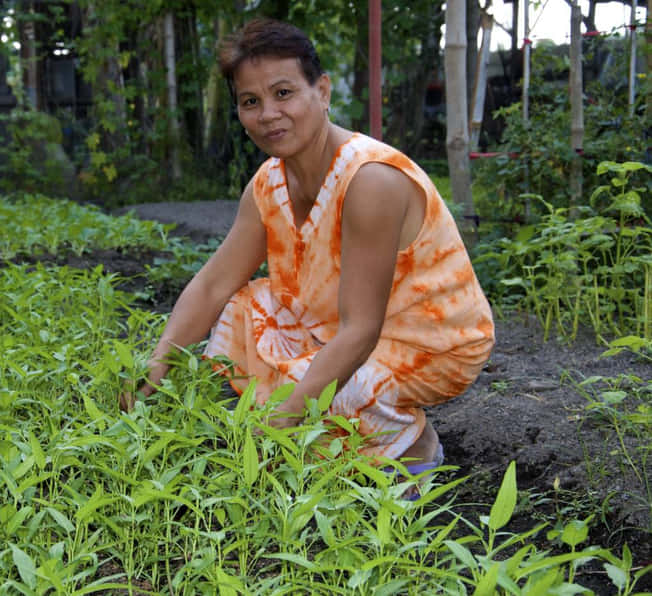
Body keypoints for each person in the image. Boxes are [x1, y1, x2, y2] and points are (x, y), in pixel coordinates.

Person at [120, 18, 494, 471]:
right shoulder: (268, 184)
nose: (268, 114)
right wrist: (154, 371)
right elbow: (213, 284)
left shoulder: (370, 180)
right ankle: (333, 442)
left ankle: (411, 450)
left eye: (284, 93)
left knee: (318, 385)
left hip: (432, 342)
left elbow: (361, 331)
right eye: (250, 102)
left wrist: (279, 422)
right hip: (347, 324)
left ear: (322, 91)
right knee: (243, 308)